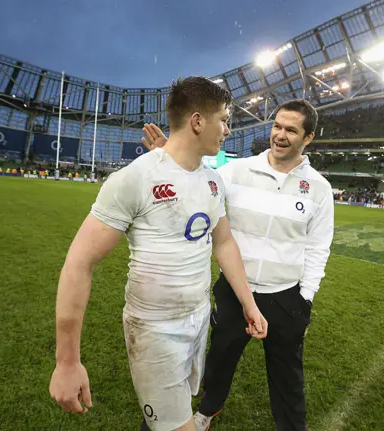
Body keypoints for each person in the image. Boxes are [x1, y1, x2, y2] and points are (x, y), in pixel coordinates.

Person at [49, 76, 268, 431]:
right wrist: (67, 362)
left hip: (198, 318)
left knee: (167, 416)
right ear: (198, 121)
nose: (228, 130)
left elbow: (223, 243)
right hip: (153, 329)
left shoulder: (214, 182)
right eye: (224, 119)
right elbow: (79, 263)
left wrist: (249, 303)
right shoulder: (135, 179)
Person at [141, 98, 335, 431]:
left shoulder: (319, 188)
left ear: (308, 138)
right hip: (234, 292)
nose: (280, 135)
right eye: (277, 126)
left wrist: (305, 298)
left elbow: (318, 247)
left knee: (288, 376)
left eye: (291, 130)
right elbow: (196, 184)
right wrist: (169, 159)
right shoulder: (236, 171)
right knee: (220, 359)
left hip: (286, 298)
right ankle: (208, 410)